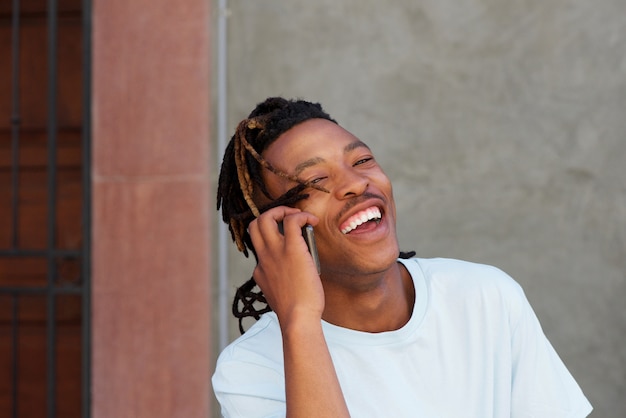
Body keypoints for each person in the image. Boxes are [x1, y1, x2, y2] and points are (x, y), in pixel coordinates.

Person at [212, 97, 592, 417]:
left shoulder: (486, 297)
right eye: (316, 182)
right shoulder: (251, 369)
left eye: (361, 161)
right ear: (275, 233)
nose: (357, 183)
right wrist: (300, 323)